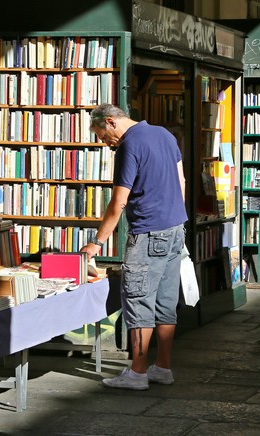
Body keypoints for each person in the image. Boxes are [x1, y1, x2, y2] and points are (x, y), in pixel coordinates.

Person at [80, 104, 188, 390]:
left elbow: (118, 202)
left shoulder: (129, 146)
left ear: (111, 122)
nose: (105, 143)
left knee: (138, 300)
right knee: (165, 303)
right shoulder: (164, 134)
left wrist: (96, 242)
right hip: (175, 228)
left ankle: (138, 373)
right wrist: (176, 215)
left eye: (103, 136)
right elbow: (181, 180)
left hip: (148, 233)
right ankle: (162, 367)